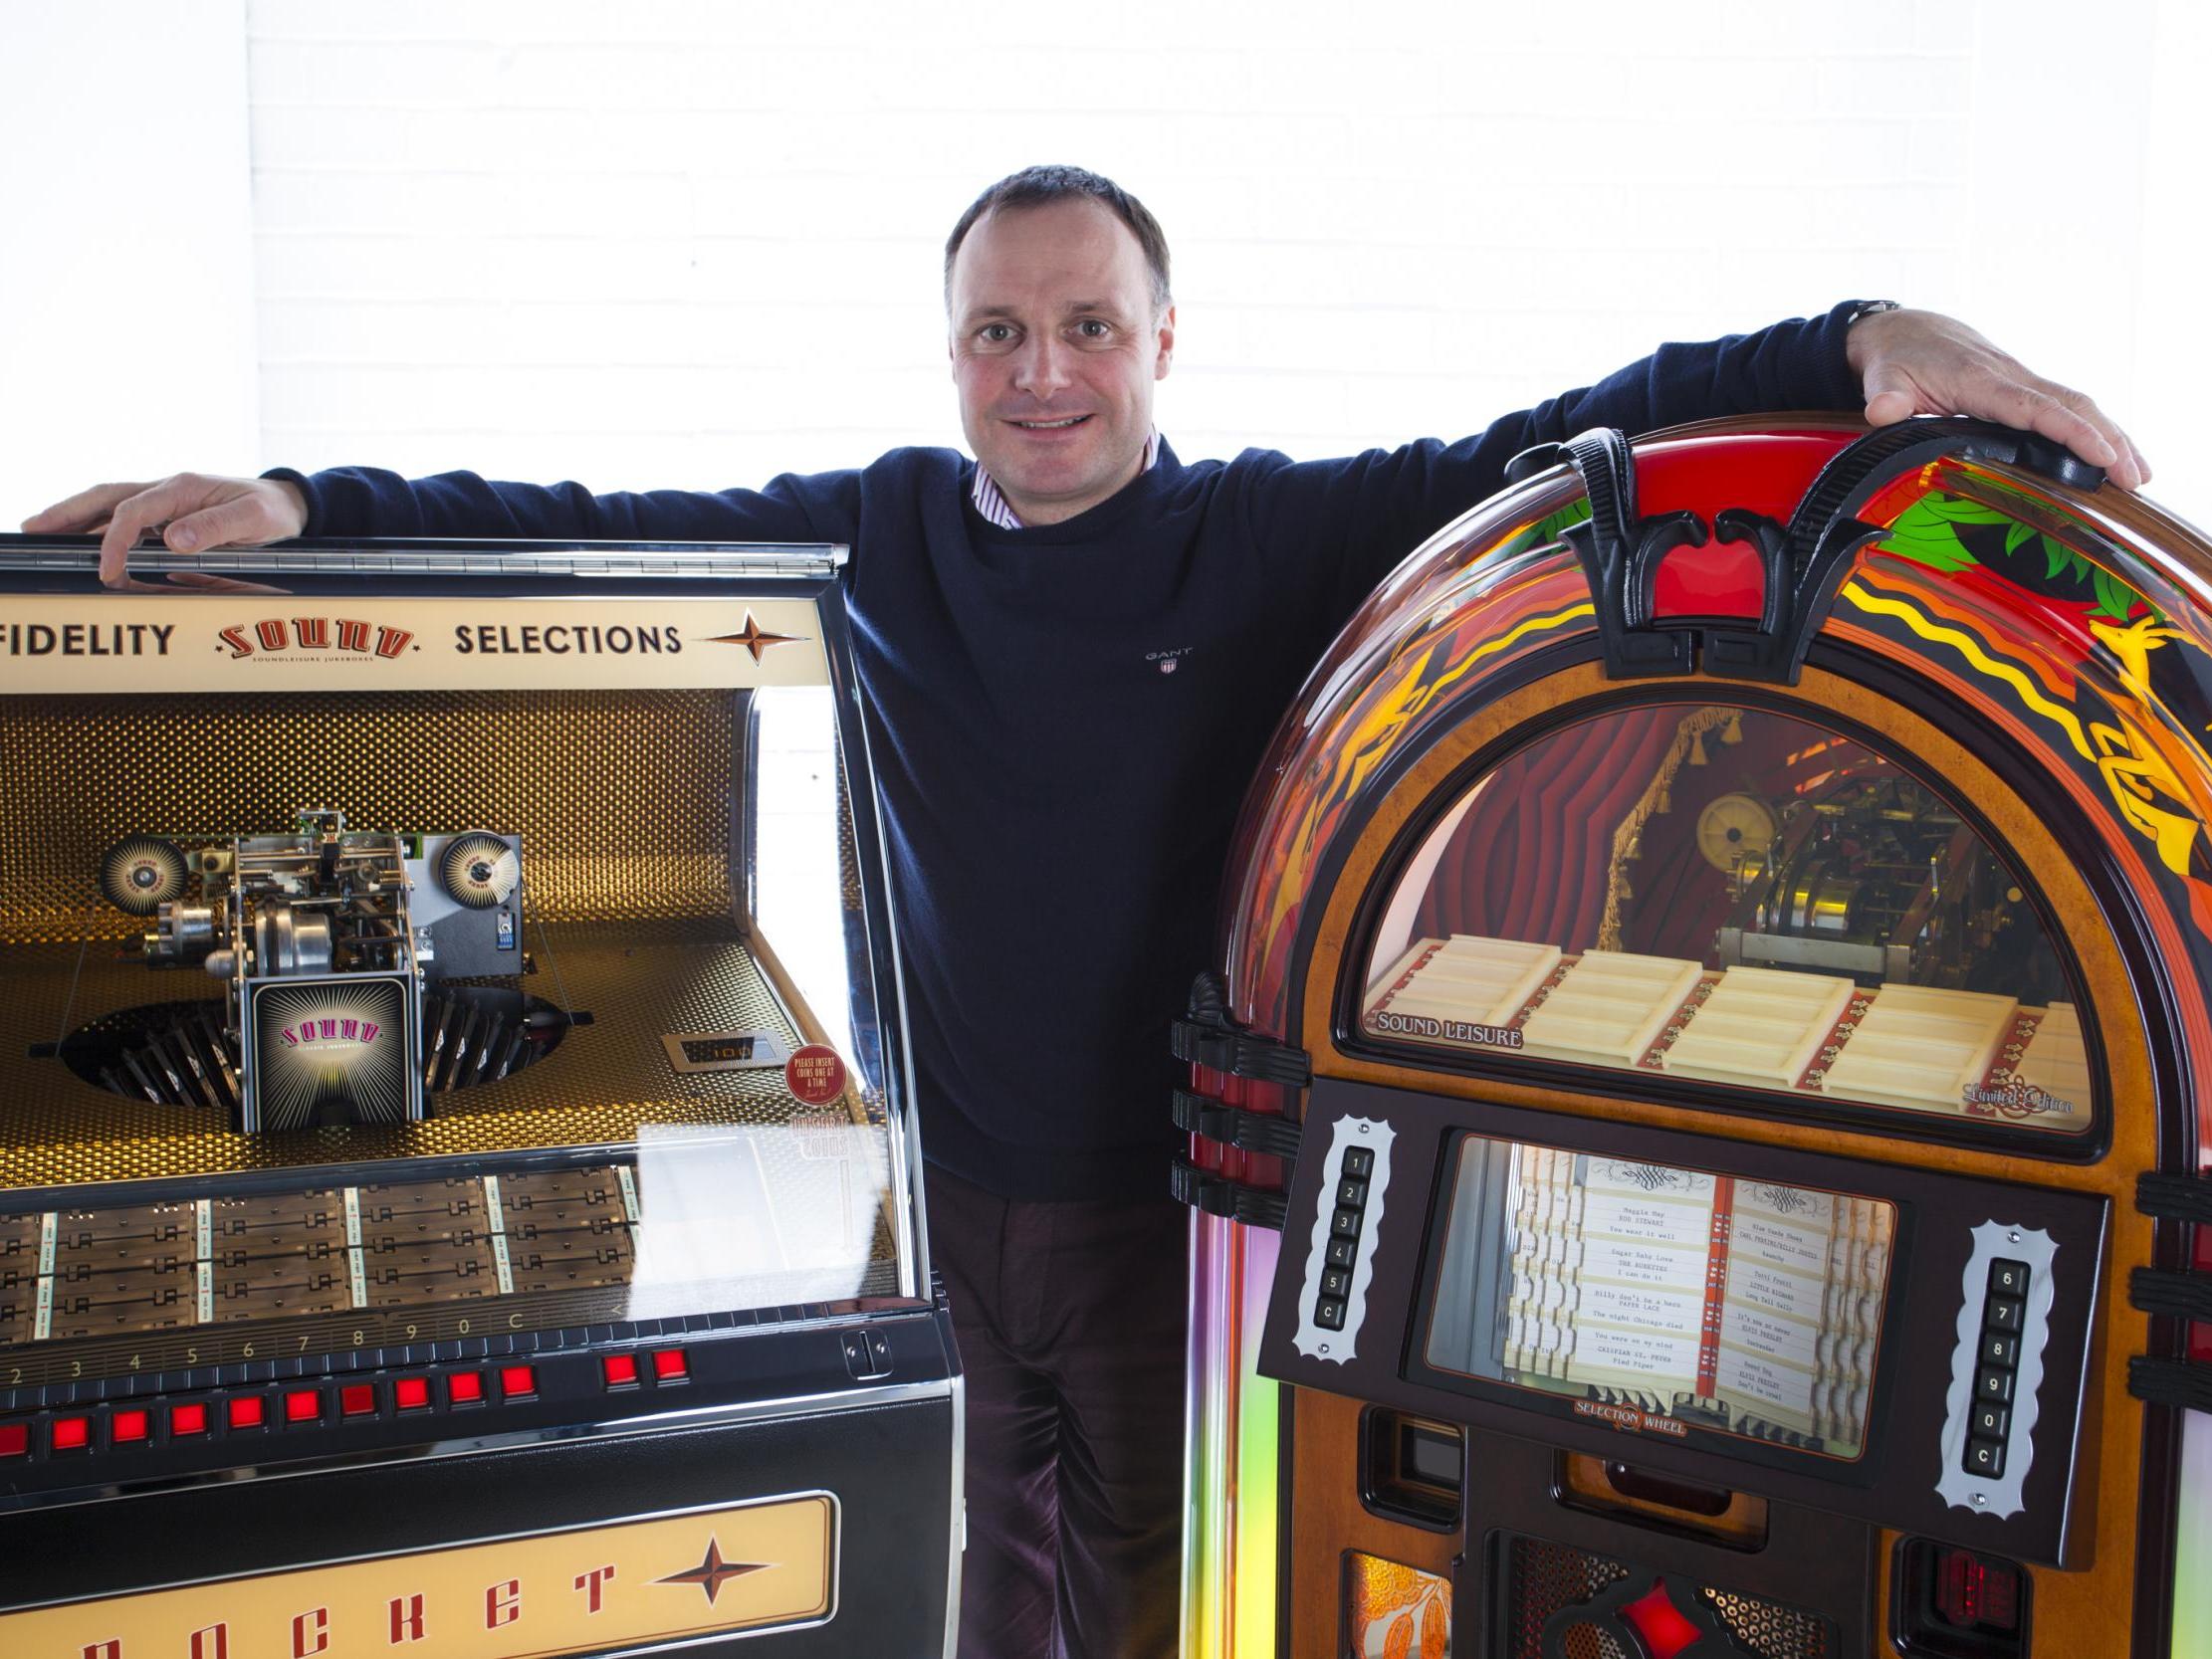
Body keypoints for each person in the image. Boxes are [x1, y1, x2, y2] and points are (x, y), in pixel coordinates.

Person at [25, 165, 2146, 1659]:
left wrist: (1874, 336)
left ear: (1158, 343)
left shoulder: (1268, 533)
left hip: (1169, 1221)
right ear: (952, 351)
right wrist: (299, 507)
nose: (1042, 372)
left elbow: (1572, 423)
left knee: (1156, 1589)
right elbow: (587, 523)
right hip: (939, 1210)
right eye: (997, 330)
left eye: (1084, 328)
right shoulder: (876, 535)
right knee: (963, 1583)